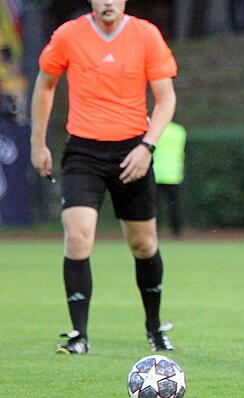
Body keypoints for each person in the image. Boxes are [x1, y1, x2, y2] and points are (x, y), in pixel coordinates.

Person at [30, 0, 178, 354]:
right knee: (78, 237)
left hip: (133, 150)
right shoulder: (69, 35)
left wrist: (147, 147)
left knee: (143, 245)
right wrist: (38, 143)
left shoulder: (145, 35)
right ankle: (79, 335)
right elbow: (45, 84)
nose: (107, 2)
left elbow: (166, 98)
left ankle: (154, 328)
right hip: (84, 152)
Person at [153, 121, 187, 237]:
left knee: (155, 206)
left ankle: (154, 231)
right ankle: (176, 232)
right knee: (174, 205)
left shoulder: (154, 128)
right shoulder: (179, 131)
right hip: (174, 173)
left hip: (156, 173)